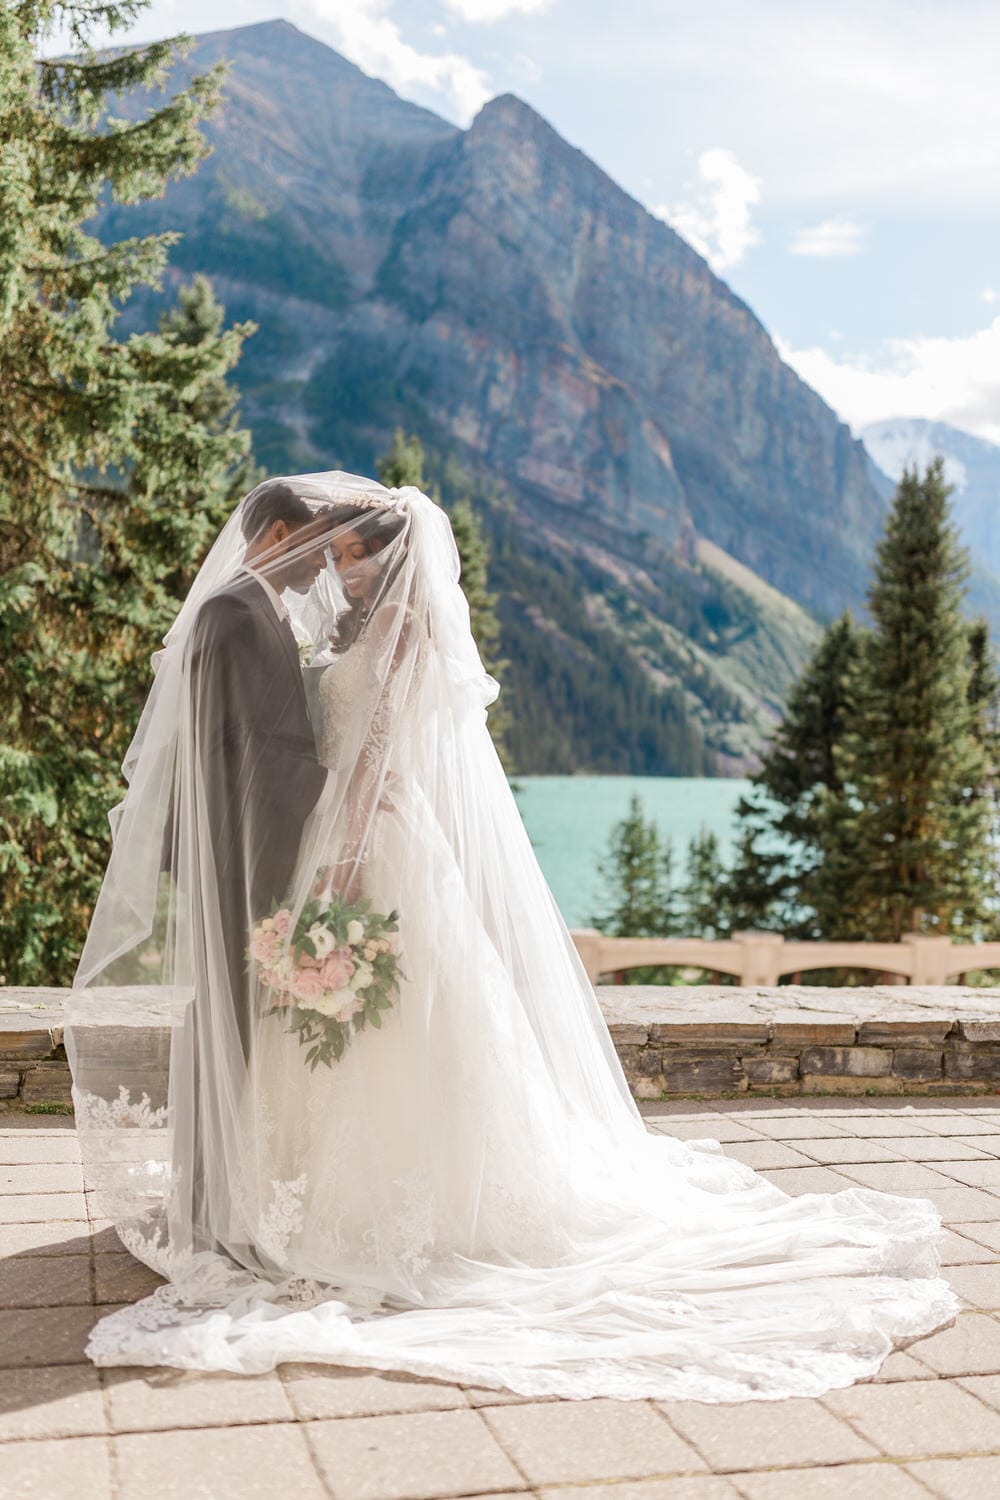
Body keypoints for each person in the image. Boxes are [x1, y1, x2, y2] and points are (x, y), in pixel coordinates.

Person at [65, 471, 957, 1401]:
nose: (335, 570)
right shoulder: (338, 627)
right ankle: (303, 1190)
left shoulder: (405, 629)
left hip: (373, 840)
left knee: (396, 1011)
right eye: (328, 554)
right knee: (346, 1020)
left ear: (388, 554)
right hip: (333, 836)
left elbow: (372, 752)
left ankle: (396, 1204)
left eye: (348, 555)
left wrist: (344, 854)